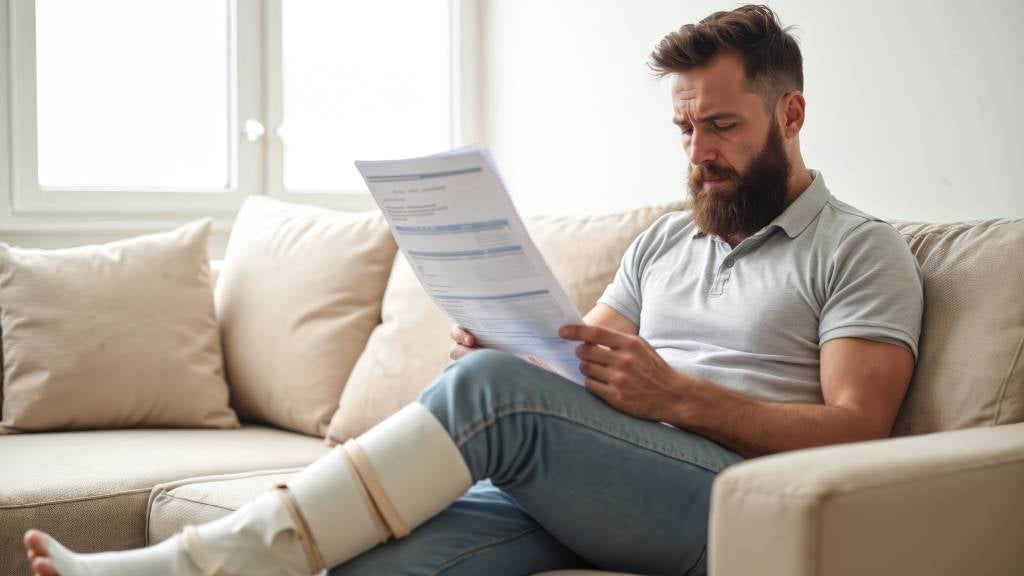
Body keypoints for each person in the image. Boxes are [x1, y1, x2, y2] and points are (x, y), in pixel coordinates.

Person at [23, 5, 923, 576]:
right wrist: (514, 343)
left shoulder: (859, 250)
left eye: (720, 126)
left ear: (791, 114)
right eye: (684, 128)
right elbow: (577, 358)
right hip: (607, 478)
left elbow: (858, 429)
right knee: (370, 557)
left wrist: (680, 397)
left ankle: (193, 561)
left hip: (729, 500)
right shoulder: (664, 240)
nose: (698, 153)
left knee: (491, 394)